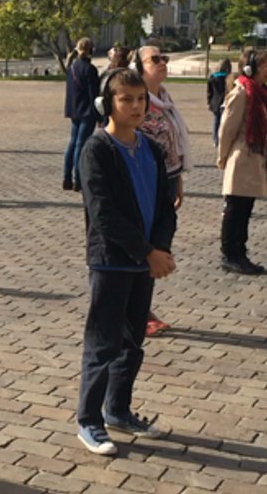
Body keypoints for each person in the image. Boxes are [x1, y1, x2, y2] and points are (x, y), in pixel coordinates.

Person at [76, 67, 177, 457]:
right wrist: (145, 251)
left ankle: (118, 409)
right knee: (103, 344)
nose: (135, 107)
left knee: (132, 344)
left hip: (145, 263)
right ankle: (89, 421)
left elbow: (166, 206)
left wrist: (160, 250)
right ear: (108, 104)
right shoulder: (97, 149)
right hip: (113, 262)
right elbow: (104, 213)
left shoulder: (150, 147)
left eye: (140, 99)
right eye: (126, 100)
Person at [134, 45, 191, 337]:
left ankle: (143, 307)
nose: (162, 63)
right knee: (146, 248)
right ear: (140, 66)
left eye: (164, 58)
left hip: (166, 179)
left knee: (159, 243)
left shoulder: (164, 99)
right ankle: (138, 312)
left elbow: (172, 143)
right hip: (146, 183)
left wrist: (178, 177)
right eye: (154, 59)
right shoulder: (136, 101)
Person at [217, 47, 267, 275]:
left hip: (254, 159)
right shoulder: (242, 91)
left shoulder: (260, 92)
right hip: (241, 158)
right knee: (235, 209)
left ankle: (240, 253)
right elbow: (227, 128)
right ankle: (229, 254)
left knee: (245, 210)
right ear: (250, 67)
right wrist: (222, 156)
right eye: (265, 66)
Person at [63, 38, 101, 192]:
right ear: (91, 50)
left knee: (72, 143)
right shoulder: (90, 69)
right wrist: (99, 116)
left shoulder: (72, 67)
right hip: (87, 111)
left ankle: (66, 178)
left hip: (74, 110)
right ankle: (78, 180)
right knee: (81, 144)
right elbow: (94, 95)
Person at [207, 59, 232, 147]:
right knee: (224, 122)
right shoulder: (228, 78)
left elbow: (209, 92)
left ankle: (215, 140)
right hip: (224, 102)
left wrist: (209, 102)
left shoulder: (212, 77)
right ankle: (223, 140)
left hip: (214, 102)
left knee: (216, 122)